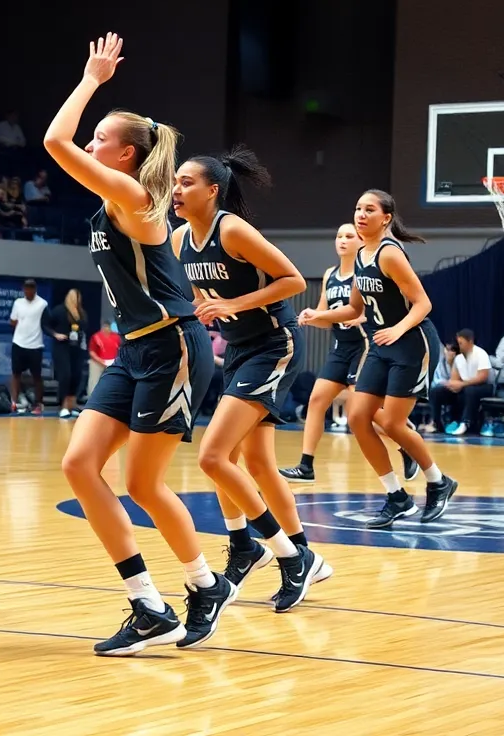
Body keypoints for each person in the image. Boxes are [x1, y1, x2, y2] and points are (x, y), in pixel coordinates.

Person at [42, 32, 232, 655]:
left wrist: (93, 78)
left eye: (100, 140)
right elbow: (66, 146)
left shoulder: (138, 199)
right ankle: (147, 603)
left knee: (144, 483)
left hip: (174, 347)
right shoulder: (112, 200)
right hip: (134, 351)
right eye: (91, 138)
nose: (89, 146)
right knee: (78, 465)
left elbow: (54, 142)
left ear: (124, 155)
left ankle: (205, 584)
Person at [171, 143, 325, 611]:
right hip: (239, 349)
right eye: (175, 182)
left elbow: (294, 281)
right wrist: (204, 303)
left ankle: (267, 550)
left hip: (275, 345)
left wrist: (234, 305)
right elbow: (202, 283)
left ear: (213, 190)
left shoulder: (234, 230)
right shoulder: (180, 239)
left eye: (186, 182)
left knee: (213, 456)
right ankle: (299, 556)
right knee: (255, 463)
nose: (176, 189)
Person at [300, 190, 457, 528]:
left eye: (369, 209)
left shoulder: (389, 254)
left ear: (385, 218)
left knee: (392, 423)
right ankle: (396, 497)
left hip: (411, 342)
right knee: (358, 417)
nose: (361, 214)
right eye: (358, 208)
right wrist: (319, 315)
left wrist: (397, 329)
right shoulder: (361, 254)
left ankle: (438, 482)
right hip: (381, 343)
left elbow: (423, 304)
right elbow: (356, 309)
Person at [279, 225, 420, 484]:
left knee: (363, 411)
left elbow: (378, 308)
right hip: (340, 349)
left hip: (364, 346)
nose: (343, 240)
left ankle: (405, 445)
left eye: (349, 236)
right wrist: (313, 316)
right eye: (339, 236)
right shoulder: (329, 275)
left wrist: (361, 317)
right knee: (317, 400)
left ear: (360, 241)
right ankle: (306, 466)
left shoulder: (365, 272)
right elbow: (326, 316)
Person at [44, 288, 88, 418]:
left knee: (76, 376)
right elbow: (46, 325)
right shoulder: (59, 310)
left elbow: (84, 328)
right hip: (62, 347)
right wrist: (56, 334)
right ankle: (62, 406)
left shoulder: (81, 313)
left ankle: (71, 405)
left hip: (77, 348)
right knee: (65, 375)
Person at [9, 279, 48, 413]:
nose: (28, 291)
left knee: (36, 376)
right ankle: (13, 402)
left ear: (35, 290)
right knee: (16, 374)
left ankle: (39, 403)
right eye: (26, 288)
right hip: (19, 343)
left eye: (31, 288)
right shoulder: (18, 303)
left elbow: (46, 322)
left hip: (36, 345)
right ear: (23, 289)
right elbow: (13, 321)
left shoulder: (42, 304)